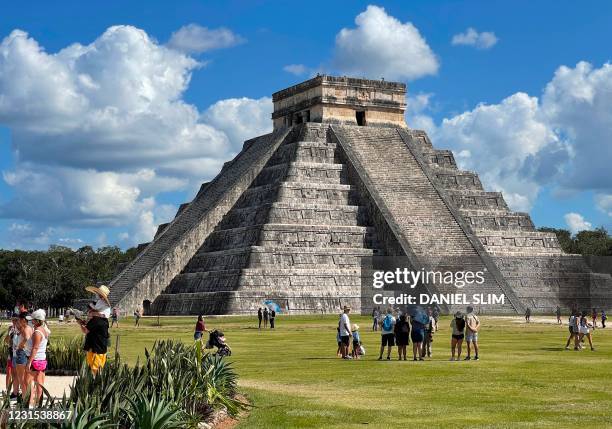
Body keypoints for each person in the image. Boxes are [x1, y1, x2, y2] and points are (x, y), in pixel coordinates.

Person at [25, 309, 50, 406]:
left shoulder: (37, 332)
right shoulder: (44, 330)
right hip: (41, 359)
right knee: (39, 383)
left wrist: (29, 362)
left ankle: (30, 404)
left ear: (36, 320)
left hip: (35, 360)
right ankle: (38, 404)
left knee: (28, 383)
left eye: (32, 320)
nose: (31, 321)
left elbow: (35, 348)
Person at [15, 312, 33, 401]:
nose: (18, 321)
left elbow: (26, 338)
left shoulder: (26, 329)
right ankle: (28, 399)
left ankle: (24, 399)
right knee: (27, 379)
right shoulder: (30, 328)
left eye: (19, 319)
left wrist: (20, 345)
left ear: (22, 320)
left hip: (22, 352)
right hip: (27, 353)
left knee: (21, 378)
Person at [4, 313, 20, 399]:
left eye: (15, 320)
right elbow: (6, 341)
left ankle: (17, 390)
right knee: (9, 371)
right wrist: (9, 335)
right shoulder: (10, 328)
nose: (13, 321)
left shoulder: (20, 328)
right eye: (12, 320)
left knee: (18, 373)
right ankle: (9, 390)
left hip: (18, 353)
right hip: (11, 351)